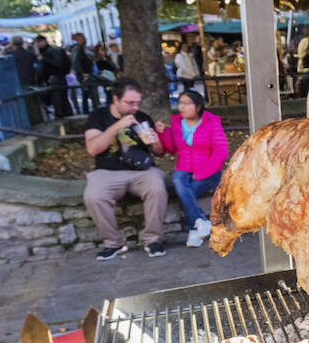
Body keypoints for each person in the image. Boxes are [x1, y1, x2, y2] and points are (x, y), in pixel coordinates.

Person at [82, 76, 167, 259]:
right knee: (93, 196)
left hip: (141, 172)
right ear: (115, 99)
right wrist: (117, 126)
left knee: (157, 187)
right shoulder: (98, 117)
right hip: (107, 172)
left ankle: (153, 239)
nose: (135, 108)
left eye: (137, 103)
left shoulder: (143, 118)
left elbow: (159, 153)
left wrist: (155, 141)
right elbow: (93, 148)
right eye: (130, 103)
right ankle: (113, 243)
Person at [158, 90, 228, 247]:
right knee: (178, 181)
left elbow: (221, 152)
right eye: (180, 103)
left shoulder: (212, 122)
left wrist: (202, 173)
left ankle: (193, 230)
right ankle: (201, 222)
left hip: (208, 171)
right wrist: (163, 134)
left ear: (198, 107)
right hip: (184, 168)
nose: (182, 107)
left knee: (187, 192)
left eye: (187, 103)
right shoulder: (176, 123)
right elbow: (170, 149)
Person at [33, 35, 72, 119]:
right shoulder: (51, 51)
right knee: (62, 102)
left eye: (38, 43)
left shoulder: (50, 52)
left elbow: (57, 63)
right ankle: (66, 117)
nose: (38, 45)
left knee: (59, 102)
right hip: (57, 79)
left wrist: (42, 58)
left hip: (55, 79)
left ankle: (63, 119)